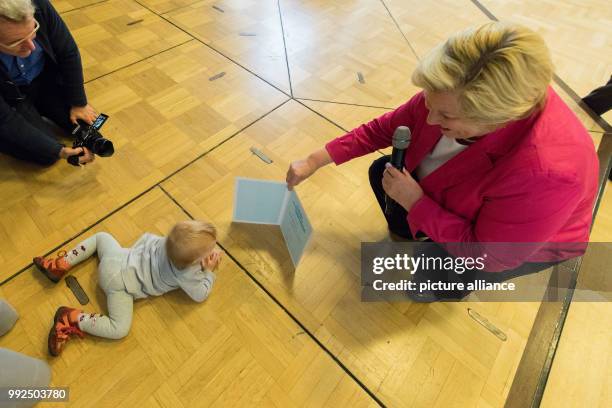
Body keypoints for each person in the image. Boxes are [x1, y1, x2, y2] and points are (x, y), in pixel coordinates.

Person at [286, 22, 599, 300]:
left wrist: (417, 203)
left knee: (435, 278)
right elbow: (386, 127)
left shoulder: (549, 173)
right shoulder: (453, 91)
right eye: (427, 100)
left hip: (513, 244)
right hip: (450, 199)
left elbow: (488, 256)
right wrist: (314, 160)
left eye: (446, 116)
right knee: (380, 171)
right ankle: (411, 234)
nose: (429, 117)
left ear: (495, 119)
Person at [33, 220, 223, 356]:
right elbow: (200, 295)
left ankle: (60, 264)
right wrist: (208, 271)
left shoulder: (168, 241)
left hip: (116, 257)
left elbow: (145, 240)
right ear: (194, 262)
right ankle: (71, 318)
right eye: (209, 252)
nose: (213, 252)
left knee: (102, 237)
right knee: (119, 329)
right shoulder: (187, 274)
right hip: (118, 287)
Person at [0, 0, 97, 166]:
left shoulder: (39, 5)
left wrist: (78, 103)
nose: (30, 47)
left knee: (87, 130)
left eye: (33, 31)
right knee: (47, 155)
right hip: (10, 98)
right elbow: (5, 118)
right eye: (16, 42)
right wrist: (59, 151)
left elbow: (68, 52)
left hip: (43, 81)